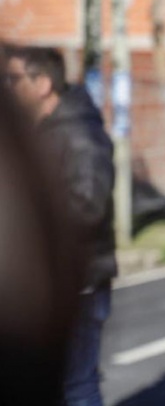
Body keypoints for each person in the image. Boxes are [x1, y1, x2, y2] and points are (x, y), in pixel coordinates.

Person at [2, 46, 117, 406]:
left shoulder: (79, 133)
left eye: (14, 79)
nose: (8, 86)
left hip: (80, 282)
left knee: (76, 388)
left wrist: (35, 230)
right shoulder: (45, 129)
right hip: (58, 280)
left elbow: (89, 205)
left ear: (43, 83)